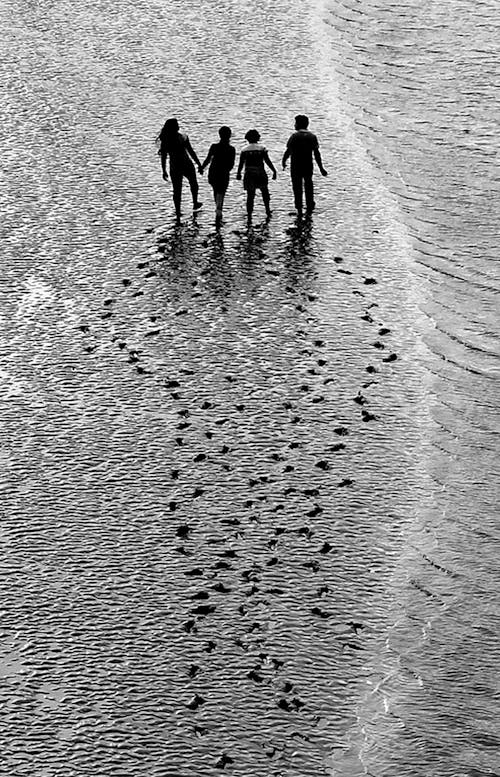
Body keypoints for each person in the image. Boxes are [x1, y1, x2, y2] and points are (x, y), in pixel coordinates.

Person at [282, 115, 327, 216]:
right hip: (308, 165)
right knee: (308, 184)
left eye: (295, 123)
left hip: (296, 165)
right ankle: (309, 206)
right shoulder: (312, 136)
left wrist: (284, 161)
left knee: (297, 187)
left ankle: (299, 208)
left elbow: (288, 151)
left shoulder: (294, 136)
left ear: (298, 124)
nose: (294, 125)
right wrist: (321, 168)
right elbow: (316, 154)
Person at [157, 118, 203, 218]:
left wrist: (164, 170)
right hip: (186, 164)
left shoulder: (166, 140)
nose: (178, 126)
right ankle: (195, 202)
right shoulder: (182, 137)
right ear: (174, 127)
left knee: (177, 189)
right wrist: (199, 164)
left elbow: (164, 156)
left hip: (175, 166)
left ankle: (178, 211)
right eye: (177, 124)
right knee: (193, 183)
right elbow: (191, 151)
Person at [236, 129, 277, 220]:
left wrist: (238, 173)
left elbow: (241, 163)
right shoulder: (262, 149)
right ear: (258, 137)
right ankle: (267, 209)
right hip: (260, 172)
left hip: (249, 173)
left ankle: (249, 214)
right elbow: (267, 161)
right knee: (264, 192)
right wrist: (274, 171)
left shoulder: (244, 150)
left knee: (250, 195)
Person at [199, 126, 236, 224]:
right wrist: (227, 170)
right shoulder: (231, 149)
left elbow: (208, 159)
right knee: (222, 191)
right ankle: (219, 208)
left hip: (213, 171)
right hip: (224, 172)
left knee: (216, 190)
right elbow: (231, 163)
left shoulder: (214, 146)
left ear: (219, 135)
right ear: (229, 136)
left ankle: (218, 208)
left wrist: (202, 167)